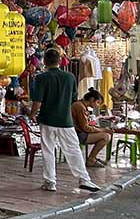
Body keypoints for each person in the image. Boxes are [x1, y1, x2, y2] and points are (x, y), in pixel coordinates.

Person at [28, 49, 99, 193]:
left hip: (47, 119)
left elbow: (37, 101)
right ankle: (84, 179)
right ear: (60, 61)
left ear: (45, 61)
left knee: (48, 150)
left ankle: (50, 181)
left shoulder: (41, 78)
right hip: (65, 120)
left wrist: (32, 114)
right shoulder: (70, 77)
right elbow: (73, 99)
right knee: (73, 149)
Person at [72, 89, 112, 168]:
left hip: (81, 132)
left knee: (106, 133)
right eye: (98, 102)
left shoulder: (81, 105)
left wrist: (98, 128)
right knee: (106, 136)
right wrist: (102, 130)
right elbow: (86, 128)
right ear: (92, 99)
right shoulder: (79, 107)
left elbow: (86, 125)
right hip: (78, 134)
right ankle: (91, 159)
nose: (98, 105)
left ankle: (93, 157)